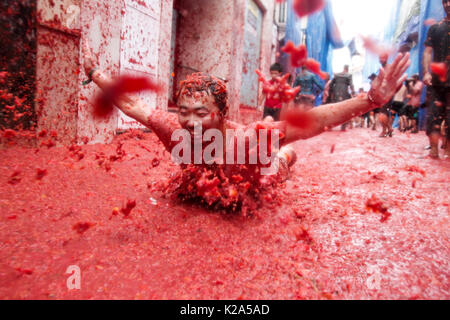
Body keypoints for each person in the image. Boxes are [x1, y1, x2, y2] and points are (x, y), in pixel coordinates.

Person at [82, 41, 410, 211]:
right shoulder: (174, 130)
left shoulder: (250, 142)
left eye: (201, 113)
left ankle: (283, 153)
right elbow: (132, 104)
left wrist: (370, 100)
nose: (191, 122)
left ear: (222, 114)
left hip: (259, 176)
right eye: (184, 112)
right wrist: (95, 73)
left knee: (281, 158)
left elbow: (314, 122)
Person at [423, 0, 450, 159]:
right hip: (436, 80)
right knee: (433, 114)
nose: (449, 4)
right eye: (446, 1)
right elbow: (427, 52)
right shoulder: (435, 28)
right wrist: (426, 72)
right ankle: (433, 151)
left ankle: (448, 152)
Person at [328, 65, 355, 131]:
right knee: (345, 110)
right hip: (344, 95)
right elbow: (351, 85)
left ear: (343, 68)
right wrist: (353, 92)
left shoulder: (336, 75)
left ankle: (330, 125)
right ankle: (343, 126)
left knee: (334, 109)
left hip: (336, 94)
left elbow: (330, 84)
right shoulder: (349, 75)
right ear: (347, 69)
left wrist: (331, 92)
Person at [377, 53, 394, 137]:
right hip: (382, 93)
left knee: (382, 113)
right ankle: (389, 128)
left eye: (382, 58)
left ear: (387, 58)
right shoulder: (381, 68)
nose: (380, 60)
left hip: (388, 94)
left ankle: (385, 130)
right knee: (385, 113)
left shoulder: (390, 67)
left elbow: (392, 80)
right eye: (380, 58)